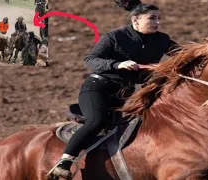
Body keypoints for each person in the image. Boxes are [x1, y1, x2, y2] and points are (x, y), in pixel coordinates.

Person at [49, 0, 179, 179]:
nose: (157, 22)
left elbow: (183, 55)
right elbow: (91, 60)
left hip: (123, 95)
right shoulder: (115, 36)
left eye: (159, 18)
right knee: (97, 121)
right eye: (152, 18)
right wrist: (117, 64)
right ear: (135, 21)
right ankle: (65, 161)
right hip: (97, 88)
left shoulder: (162, 40)